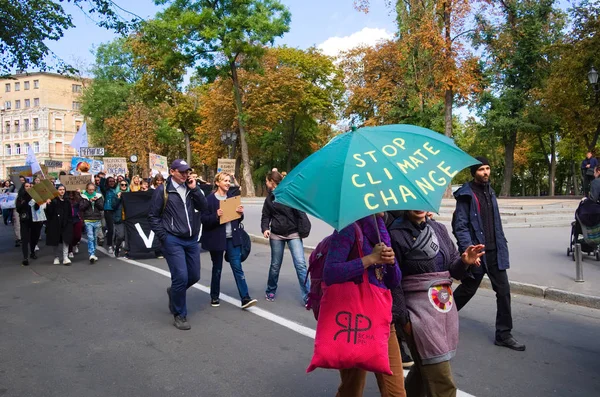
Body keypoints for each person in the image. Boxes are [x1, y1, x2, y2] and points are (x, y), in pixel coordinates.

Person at [389, 210, 484, 397]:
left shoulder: (438, 229)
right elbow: (393, 281)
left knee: (425, 366)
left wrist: (464, 261)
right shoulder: (393, 234)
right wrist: (403, 319)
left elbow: (453, 270)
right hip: (416, 312)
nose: (418, 206)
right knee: (440, 375)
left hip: (441, 309)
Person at [324, 214, 405, 397]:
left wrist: (391, 263)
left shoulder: (381, 230)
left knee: (396, 392)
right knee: (351, 391)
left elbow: (393, 281)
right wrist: (370, 259)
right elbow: (330, 272)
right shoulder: (348, 228)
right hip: (353, 320)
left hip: (383, 318)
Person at [452, 156, 526, 351]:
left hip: (495, 252)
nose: (486, 172)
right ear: (474, 172)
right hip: (478, 253)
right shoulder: (466, 195)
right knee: (467, 290)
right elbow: (460, 226)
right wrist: (469, 251)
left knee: (504, 292)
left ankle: (503, 334)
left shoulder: (490, 192)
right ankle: (441, 319)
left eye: (487, 168)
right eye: (481, 169)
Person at [149, 159, 208, 330]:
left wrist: (195, 189)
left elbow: (204, 207)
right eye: (181, 171)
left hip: (191, 239)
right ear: (172, 171)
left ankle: (174, 291)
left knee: (194, 276)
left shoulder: (191, 189)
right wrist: (164, 236)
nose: (185, 174)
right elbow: (152, 216)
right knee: (181, 277)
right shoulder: (163, 191)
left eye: (187, 171)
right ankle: (180, 315)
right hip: (173, 239)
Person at [201, 172, 257, 310]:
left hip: (233, 238)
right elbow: (204, 220)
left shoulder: (232, 198)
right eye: (224, 180)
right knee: (217, 269)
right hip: (217, 239)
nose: (227, 183)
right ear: (217, 182)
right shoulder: (209, 200)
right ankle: (214, 296)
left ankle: (245, 298)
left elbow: (237, 219)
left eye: (229, 181)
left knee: (237, 267)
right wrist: (216, 215)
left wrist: (240, 213)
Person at [261, 170, 310, 306]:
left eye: (266, 181)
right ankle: (270, 290)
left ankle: (308, 296)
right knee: (275, 265)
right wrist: (265, 228)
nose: (266, 183)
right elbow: (266, 215)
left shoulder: (289, 195)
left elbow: (300, 213)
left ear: (272, 182)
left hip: (293, 233)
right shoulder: (269, 198)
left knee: (300, 265)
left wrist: (303, 230)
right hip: (277, 234)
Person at [45, 185, 73, 265]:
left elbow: (69, 213)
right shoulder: (53, 200)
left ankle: (65, 257)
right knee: (55, 241)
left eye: (63, 189)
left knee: (66, 240)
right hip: (55, 223)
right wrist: (49, 204)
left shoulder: (67, 201)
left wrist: (69, 222)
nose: (62, 191)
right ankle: (56, 257)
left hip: (66, 223)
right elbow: (49, 213)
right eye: (60, 189)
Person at [80, 182, 104, 264]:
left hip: (96, 219)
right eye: (89, 190)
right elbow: (82, 207)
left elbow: (101, 207)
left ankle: (93, 253)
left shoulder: (98, 196)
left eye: (92, 190)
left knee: (94, 237)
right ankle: (91, 254)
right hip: (88, 220)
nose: (91, 191)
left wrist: (96, 200)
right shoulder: (83, 196)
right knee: (90, 237)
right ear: (87, 189)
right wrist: (89, 201)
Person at [16, 183, 37, 266]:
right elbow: (18, 208)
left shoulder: (34, 196)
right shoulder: (20, 197)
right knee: (25, 239)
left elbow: (38, 207)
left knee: (34, 237)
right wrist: (24, 203)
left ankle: (32, 252)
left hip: (34, 219)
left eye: (29, 186)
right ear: (23, 188)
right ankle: (25, 257)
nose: (28, 188)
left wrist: (36, 202)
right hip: (25, 220)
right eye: (26, 186)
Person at [99, 176, 118, 255]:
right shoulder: (106, 191)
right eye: (110, 181)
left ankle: (116, 244)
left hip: (116, 210)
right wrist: (104, 176)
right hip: (108, 210)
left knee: (117, 229)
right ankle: (110, 245)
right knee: (111, 229)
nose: (112, 182)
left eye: (113, 181)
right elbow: (101, 184)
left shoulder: (117, 189)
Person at [113, 179, 130, 258]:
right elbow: (113, 206)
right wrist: (118, 197)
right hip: (119, 218)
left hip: (128, 218)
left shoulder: (130, 194)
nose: (124, 186)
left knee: (128, 236)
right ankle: (117, 247)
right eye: (122, 185)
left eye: (125, 185)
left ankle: (127, 252)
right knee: (121, 236)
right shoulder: (116, 194)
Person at [68, 190, 83, 258]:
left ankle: (75, 244)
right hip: (69, 219)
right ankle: (70, 251)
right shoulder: (65, 199)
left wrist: (80, 194)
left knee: (78, 236)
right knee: (70, 236)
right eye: (69, 193)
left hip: (77, 218)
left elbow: (83, 205)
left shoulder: (78, 198)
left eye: (72, 193)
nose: (71, 194)